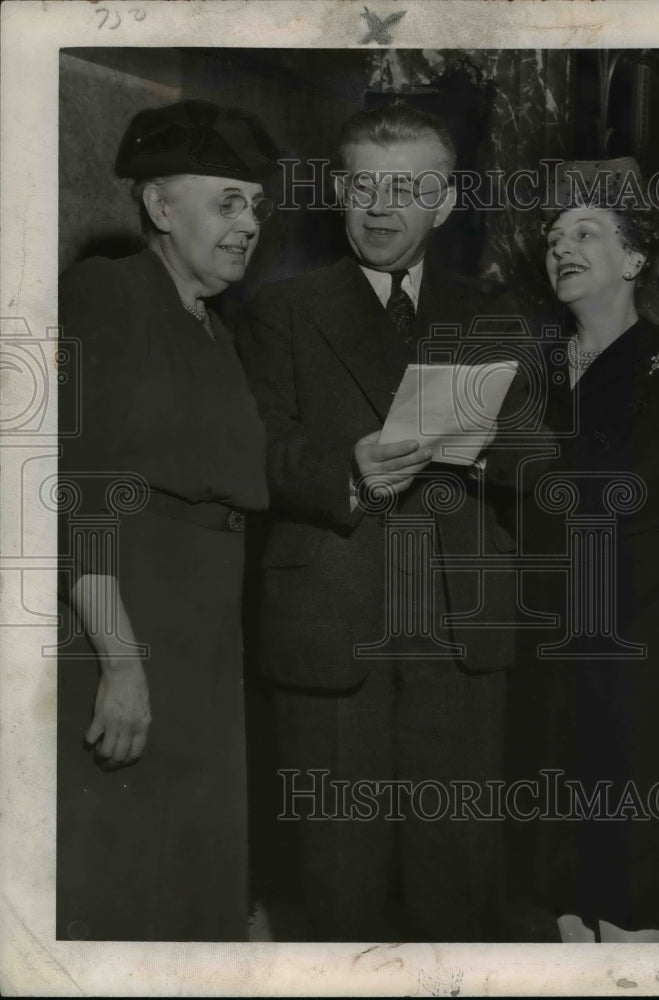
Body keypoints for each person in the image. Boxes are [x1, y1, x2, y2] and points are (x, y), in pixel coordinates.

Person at [237, 103, 535, 942]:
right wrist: (347, 470)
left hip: (457, 628)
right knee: (339, 879)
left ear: (444, 204)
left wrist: (475, 454)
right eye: (363, 184)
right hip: (334, 618)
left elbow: (542, 457)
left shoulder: (493, 311)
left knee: (458, 879)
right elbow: (256, 450)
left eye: (406, 188)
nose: (379, 206)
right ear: (338, 191)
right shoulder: (281, 309)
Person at [56, 99, 279, 941]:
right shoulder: (108, 292)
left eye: (254, 206)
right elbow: (81, 486)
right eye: (227, 202)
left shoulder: (215, 332)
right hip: (133, 618)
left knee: (192, 871)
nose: (248, 224)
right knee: (124, 873)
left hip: (206, 635)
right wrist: (119, 659)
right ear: (157, 206)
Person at [508, 158, 659, 943]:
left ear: (633, 258)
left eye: (585, 232)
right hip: (547, 639)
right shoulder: (526, 372)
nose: (561, 247)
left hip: (644, 632)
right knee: (560, 865)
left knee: (634, 859)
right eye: (553, 236)